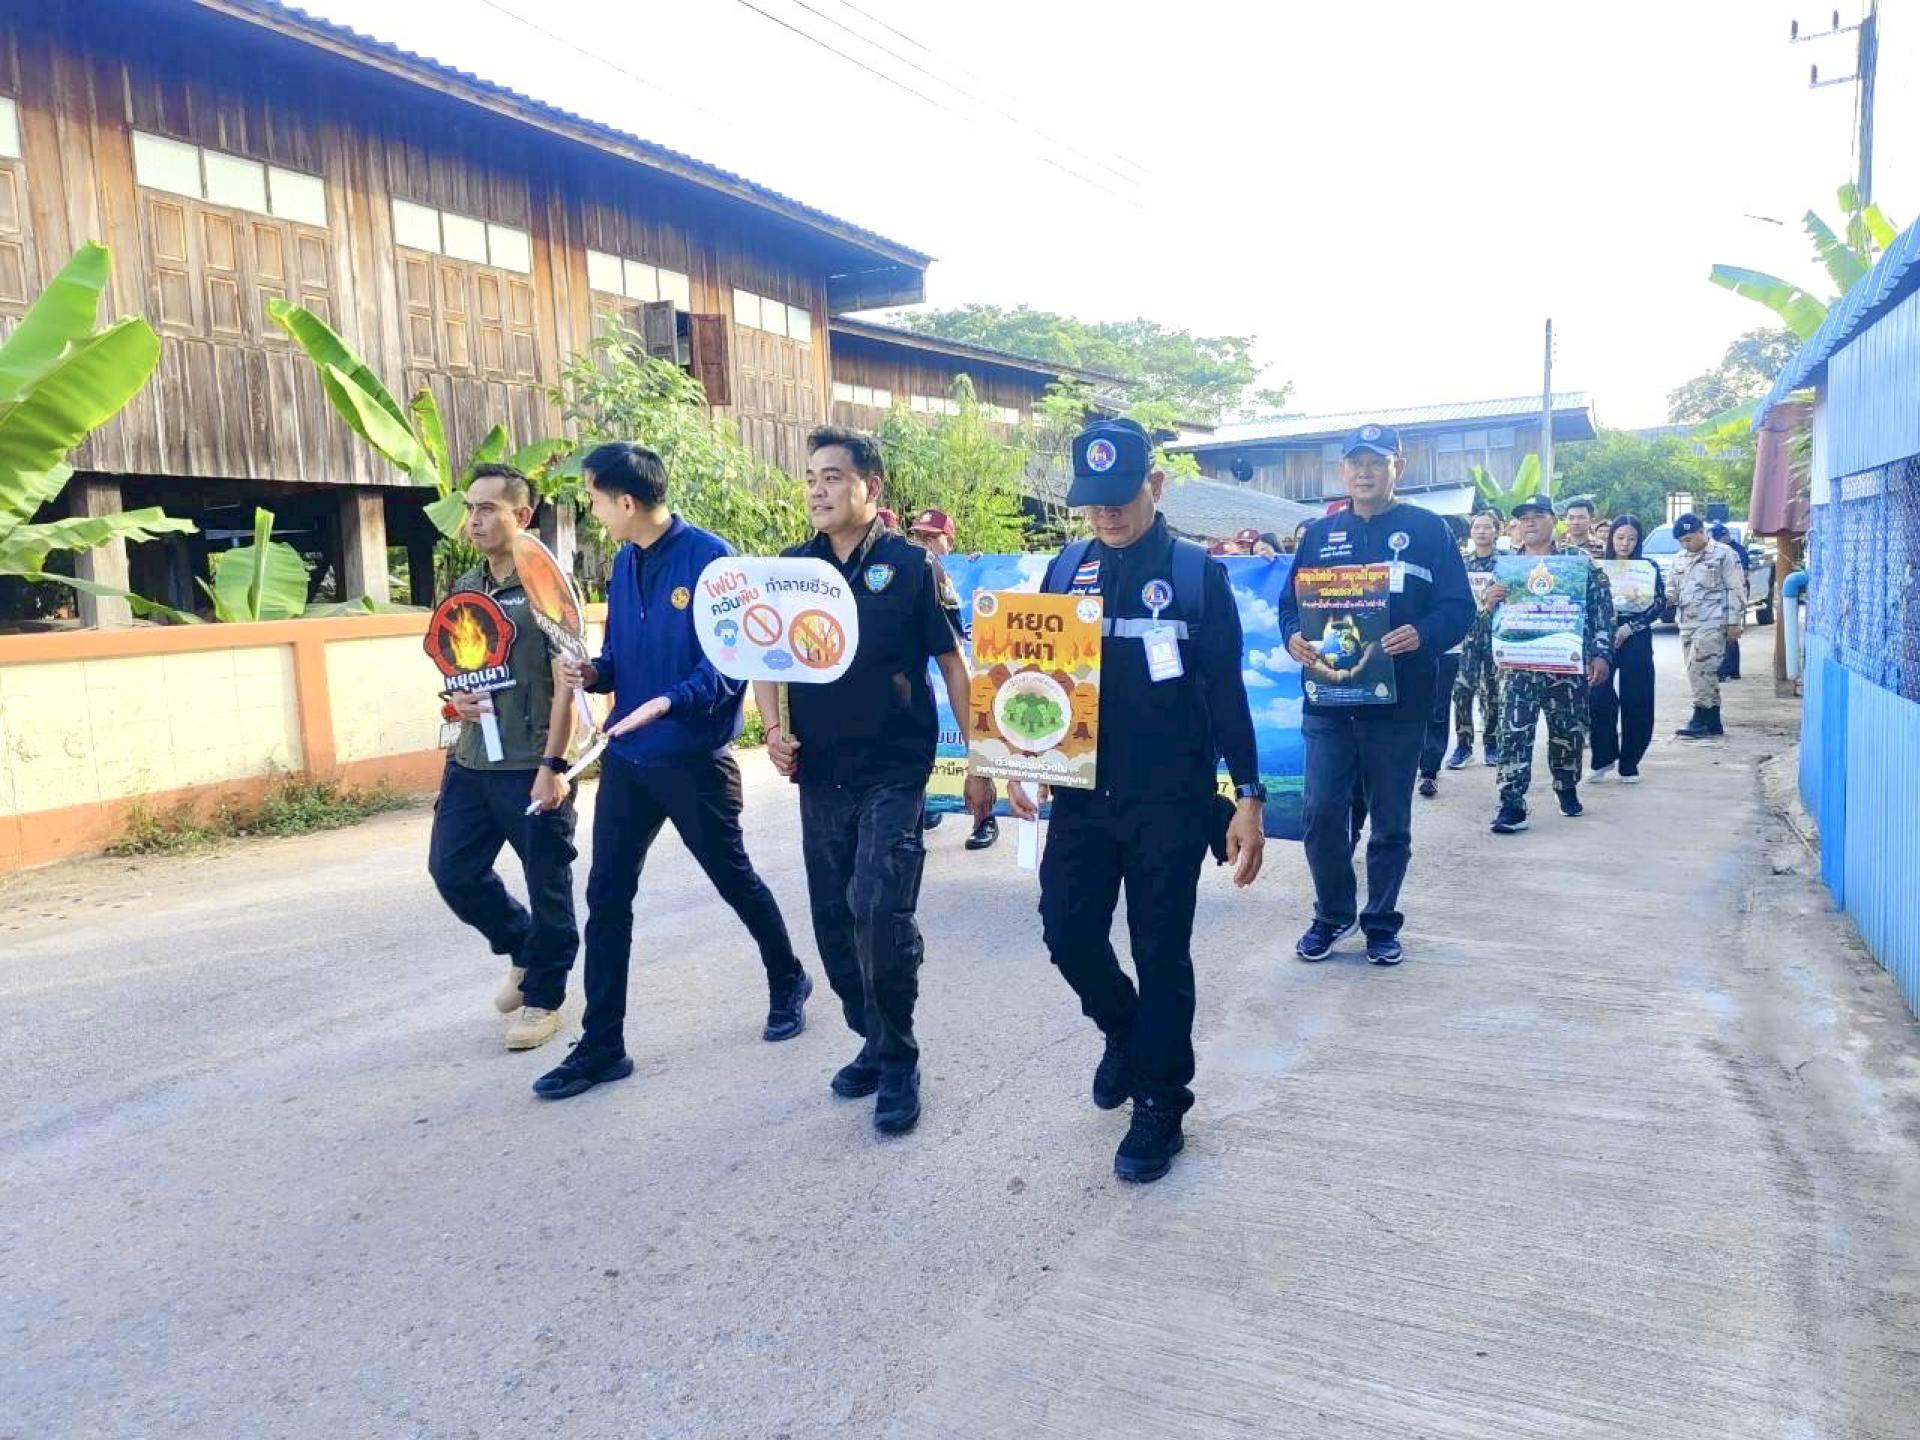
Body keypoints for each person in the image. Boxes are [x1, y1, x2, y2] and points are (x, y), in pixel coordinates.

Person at [1003, 418, 1266, 1184]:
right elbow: (1039, 677)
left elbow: (1227, 694)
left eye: (1120, 495)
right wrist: (1021, 757)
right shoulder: (1067, 568)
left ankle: (1161, 1101)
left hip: (1169, 802)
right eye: (1093, 499)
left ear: (1155, 484)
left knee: (1161, 953)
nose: (1107, 513)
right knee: (1067, 934)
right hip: (1083, 799)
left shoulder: (1194, 574)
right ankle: (1123, 1030)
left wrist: (1248, 798)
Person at [531, 442, 812, 1101]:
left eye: (595, 499)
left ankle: (788, 977)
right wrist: (594, 673)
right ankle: (603, 1045)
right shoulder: (624, 561)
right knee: (607, 898)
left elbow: (732, 664)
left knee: (733, 879)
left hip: (693, 762)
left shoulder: (713, 560)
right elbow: (620, 657)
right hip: (628, 761)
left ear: (626, 501)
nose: (594, 511)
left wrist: (671, 701)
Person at [754, 427, 994, 1137]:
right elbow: (766, 658)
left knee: (879, 912)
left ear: (872, 487)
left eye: (832, 477)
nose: (818, 490)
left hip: (894, 769)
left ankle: (897, 1061)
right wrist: (773, 730)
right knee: (834, 923)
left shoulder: (912, 567)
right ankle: (872, 1035)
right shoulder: (792, 570)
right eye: (810, 478)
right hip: (820, 773)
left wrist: (979, 759)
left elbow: (952, 666)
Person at [1278, 424, 1473, 965]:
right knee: (1321, 813)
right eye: (1356, 463)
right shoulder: (1319, 535)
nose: (1365, 472)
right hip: (1328, 703)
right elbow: (1289, 604)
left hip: (1398, 705)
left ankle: (1382, 921)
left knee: (1390, 822)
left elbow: (1459, 608)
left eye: (1376, 462)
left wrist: (1424, 634)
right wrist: (1292, 636)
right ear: (1343, 471)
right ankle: (1332, 913)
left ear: (1397, 468)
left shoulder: (1429, 531)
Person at [427, 465, 580, 1053]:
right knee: (453, 871)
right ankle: (522, 946)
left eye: (489, 508)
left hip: (531, 762)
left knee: (548, 885)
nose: (475, 520)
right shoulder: (465, 585)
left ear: (524, 515)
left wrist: (554, 765)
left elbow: (569, 682)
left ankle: (544, 998)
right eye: (471, 508)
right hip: (472, 760)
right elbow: (457, 665)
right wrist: (455, 700)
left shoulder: (544, 584)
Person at [1484, 494, 1614, 833]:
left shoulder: (1578, 561)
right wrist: (1488, 602)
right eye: (1524, 517)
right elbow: (1486, 619)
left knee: (1567, 731)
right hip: (1518, 666)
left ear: (1553, 521)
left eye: (1538, 515)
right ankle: (1512, 803)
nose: (1529, 522)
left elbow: (1602, 609)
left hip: (1564, 663)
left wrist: (1601, 653)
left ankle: (1566, 786)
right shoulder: (1505, 567)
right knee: (1513, 732)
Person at [908, 507, 999, 852]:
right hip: (927, 684)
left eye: (933, 537)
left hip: (966, 675)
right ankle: (927, 808)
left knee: (974, 742)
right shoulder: (912, 573)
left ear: (950, 539)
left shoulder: (972, 572)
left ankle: (984, 818)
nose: (925, 543)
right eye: (919, 536)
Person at [1588, 514, 1665, 782]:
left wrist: (1631, 627)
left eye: (1632, 539)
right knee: (1598, 695)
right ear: (1611, 538)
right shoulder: (1597, 567)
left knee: (1638, 698)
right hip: (1602, 635)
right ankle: (1602, 758)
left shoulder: (1648, 567)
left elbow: (1659, 602)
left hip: (1636, 636)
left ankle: (1630, 762)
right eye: (1620, 537)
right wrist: (1605, 630)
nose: (1625, 543)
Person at [1670, 513, 1746, 740]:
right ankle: (1713, 720)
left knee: (1700, 667)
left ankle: (1700, 716)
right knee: (1697, 671)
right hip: (1687, 622)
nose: (1686, 544)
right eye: (1682, 541)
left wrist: (1734, 621)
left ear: (1702, 532)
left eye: (1689, 539)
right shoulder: (1680, 558)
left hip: (1714, 620)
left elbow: (1736, 588)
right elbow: (1673, 588)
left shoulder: (1724, 554)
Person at [1446, 508, 1502, 770]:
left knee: (1493, 692)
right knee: (1462, 691)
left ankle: (1491, 743)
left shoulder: (1505, 563)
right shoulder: (1461, 563)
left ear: (1496, 531)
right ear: (1471, 532)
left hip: (1496, 637)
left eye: (1487, 527)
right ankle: (1463, 745)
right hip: (1465, 638)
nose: (1481, 532)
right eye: (1477, 527)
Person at [1708, 523, 1751, 681]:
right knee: (1726, 635)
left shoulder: (1735, 551)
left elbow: (1743, 575)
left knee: (1729, 634)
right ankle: (1730, 670)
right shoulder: (1717, 551)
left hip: (1733, 595)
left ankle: (1727, 670)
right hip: (1722, 598)